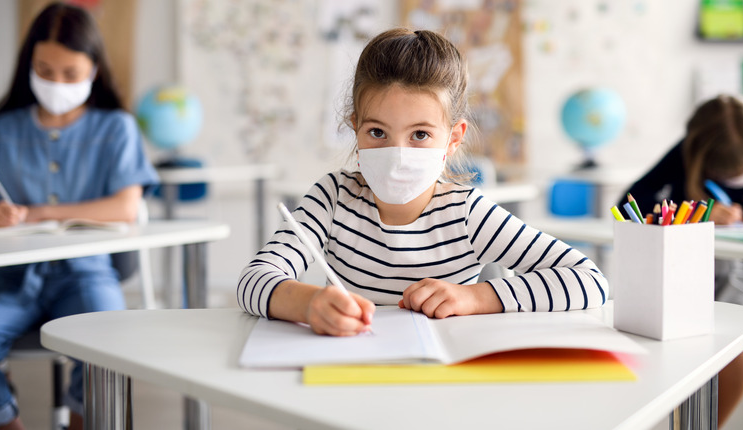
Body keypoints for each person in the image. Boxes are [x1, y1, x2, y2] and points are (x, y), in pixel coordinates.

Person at [237, 28, 608, 337]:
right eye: (377, 131)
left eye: (419, 135)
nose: (397, 153)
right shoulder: (332, 198)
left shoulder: (466, 213)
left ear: (453, 138)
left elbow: (590, 281)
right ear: (355, 128)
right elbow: (254, 279)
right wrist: (310, 303)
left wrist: (474, 298)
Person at [0, 2, 158, 430]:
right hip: (13, 279)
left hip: (87, 274)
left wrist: (38, 212)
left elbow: (124, 206)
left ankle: (84, 420)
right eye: (45, 71)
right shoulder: (2, 130)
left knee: (111, 342)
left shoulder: (116, 128)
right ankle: (5, 420)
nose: (56, 83)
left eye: (70, 74)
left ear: (94, 71)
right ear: (29, 64)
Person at [618, 94, 743, 427]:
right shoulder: (684, 152)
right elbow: (630, 202)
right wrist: (702, 209)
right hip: (697, 271)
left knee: (739, 330)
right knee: (683, 329)